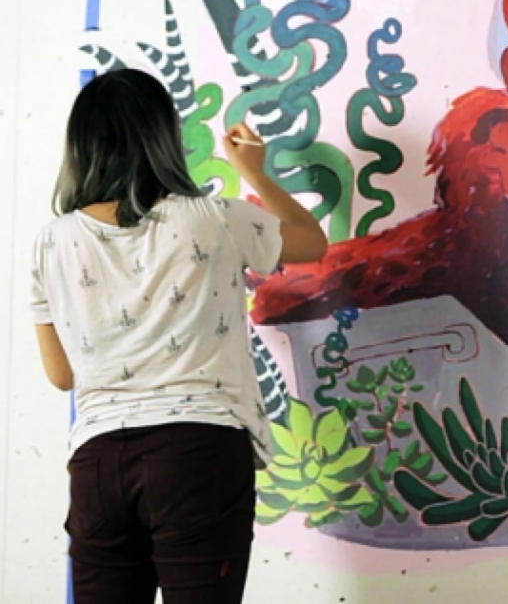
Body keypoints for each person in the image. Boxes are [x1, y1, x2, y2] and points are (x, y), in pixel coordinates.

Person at [29, 69, 328, 604]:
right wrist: (253, 173)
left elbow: (61, 375)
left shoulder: (51, 243)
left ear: (80, 146)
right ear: (164, 138)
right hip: (197, 453)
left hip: (97, 465)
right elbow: (312, 242)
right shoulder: (213, 218)